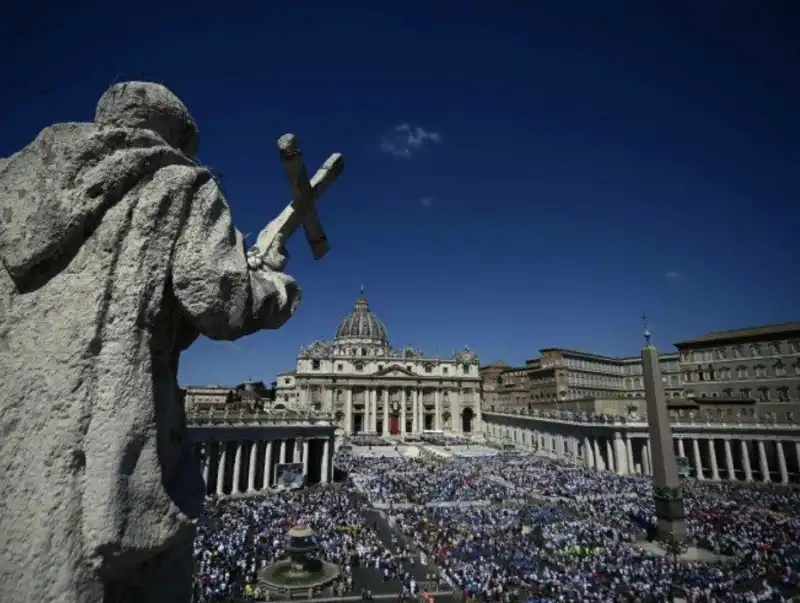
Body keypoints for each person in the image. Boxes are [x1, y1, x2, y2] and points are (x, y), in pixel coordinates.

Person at [0, 82, 302, 603]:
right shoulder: (177, 181)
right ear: (180, 136)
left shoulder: (12, 183)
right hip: (110, 432)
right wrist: (274, 283)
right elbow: (221, 301)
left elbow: (153, 306)